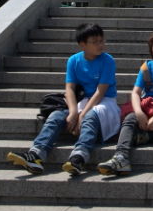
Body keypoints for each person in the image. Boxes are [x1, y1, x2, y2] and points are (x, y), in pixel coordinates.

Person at [7, 23, 120, 175]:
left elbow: (100, 92)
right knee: (56, 115)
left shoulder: (108, 60)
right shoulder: (74, 60)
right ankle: (36, 154)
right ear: (82, 45)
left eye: (101, 40)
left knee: (90, 116)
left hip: (104, 101)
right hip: (81, 100)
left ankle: (79, 157)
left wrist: (82, 114)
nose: (101, 44)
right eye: (95, 42)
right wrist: (73, 112)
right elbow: (70, 89)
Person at [97, 30, 153, 175]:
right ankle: (121, 156)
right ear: (151, 50)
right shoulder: (146, 67)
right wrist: (139, 113)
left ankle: (148, 136)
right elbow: (135, 93)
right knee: (130, 118)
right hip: (148, 105)